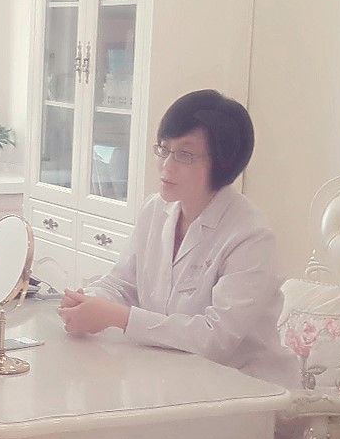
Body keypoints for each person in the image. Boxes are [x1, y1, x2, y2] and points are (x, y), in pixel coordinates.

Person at [57, 89, 297, 388]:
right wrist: (88, 301)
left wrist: (121, 318)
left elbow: (216, 339)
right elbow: (122, 283)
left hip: (245, 388)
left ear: (222, 162)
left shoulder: (251, 236)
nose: (166, 166)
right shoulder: (156, 209)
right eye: (164, 149)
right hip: (170, 374)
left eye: (184, 154)